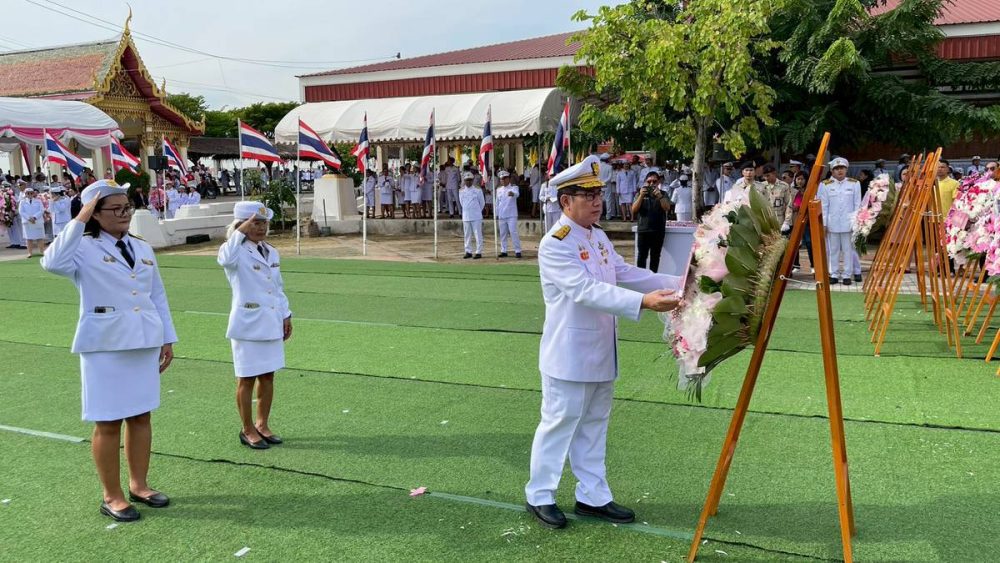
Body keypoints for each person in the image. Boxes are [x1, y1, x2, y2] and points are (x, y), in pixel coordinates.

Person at [525, 155, 682, 530]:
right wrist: (643, 302)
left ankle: (592, 496)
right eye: (588, 195)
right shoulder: (556, 243)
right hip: (569, 354)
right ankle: (540, 494)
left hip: (600, 352)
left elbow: (623, 272)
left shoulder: (596, 235)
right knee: (558, 424)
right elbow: (584, 290)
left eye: (599, 193)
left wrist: (679, 283)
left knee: (594, 426)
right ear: (566, 201)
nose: (597, 201)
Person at [40, 179, 176, 522]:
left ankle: (139, 485)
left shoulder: (141, 247)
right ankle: (111, 495)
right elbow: (51, 262)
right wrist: (80, 218)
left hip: (143, 340)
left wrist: (167, 337)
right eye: (115, 209)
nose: (124, 214)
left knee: (141, 416)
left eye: (127, 207)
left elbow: (156, 295)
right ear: (95, 214)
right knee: (108, 421)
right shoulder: (80, 247)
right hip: (105, 346)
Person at [217, 201, 292, 450]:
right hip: (247, 325)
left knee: (268, 376)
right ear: (242, 224)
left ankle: (262, 424)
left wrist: (286, 314)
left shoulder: (271, 251)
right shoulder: (234, 251)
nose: (261, 228)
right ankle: (247, 429)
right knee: (246, 379)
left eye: (264, 223)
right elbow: (224, 259)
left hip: (270, 321)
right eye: (255, 223)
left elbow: (277, 287)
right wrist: (240, 231)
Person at [818, 157, 862, 285]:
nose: (839, 171)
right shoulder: (825, 185)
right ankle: (834, 274)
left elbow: (857, 205)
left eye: (842, 168)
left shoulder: (854, 184)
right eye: (836, 169)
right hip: (832, 223)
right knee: (833, 250)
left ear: (846, 169)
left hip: (849, 223)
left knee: (848, 250)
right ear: (832, 171)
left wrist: (857, 223)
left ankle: (847, 275)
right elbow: (823, 206)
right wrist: (824, 224)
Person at [632, 171, 670, 271]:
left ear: (658, 182)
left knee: (655, 257)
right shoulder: (640, 194)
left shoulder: (663, 194)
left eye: (654, 181)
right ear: (645, 182)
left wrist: (660, 197)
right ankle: (641, 278)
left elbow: (667, 208)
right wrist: (641, 196)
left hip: (658, 230)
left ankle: (654, 278)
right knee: (641, 257)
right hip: (643, 230)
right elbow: (634, 210)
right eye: (649, 182)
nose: (651, 184)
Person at [759, 164, 795, 229]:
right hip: (765, 220)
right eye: (764, 176)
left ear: (774, 173)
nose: (766, 178)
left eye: (768, 175)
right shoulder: (761, 186)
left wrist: (787, 221)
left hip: (779, 220)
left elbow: (789, 204)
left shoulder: (784, 186)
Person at [495, 171, 522, 258]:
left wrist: (513, 194)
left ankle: (517, 250)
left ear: (508, 179)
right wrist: (496, 213)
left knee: (513, 232)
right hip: (502, 214)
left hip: (511, 215)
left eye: (505, 179)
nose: (503, 180)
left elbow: (517, 194)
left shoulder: (514, 187)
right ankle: (503, 250)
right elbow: (497, 203)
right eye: (501, 179)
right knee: (503, 234)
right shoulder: (498, 190)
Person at [459, 172, 485, 259]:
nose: (468, 182)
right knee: (467, 235)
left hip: (476, 216)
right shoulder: (461, 191)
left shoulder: (478, 190)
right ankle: (468, 251)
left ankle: (478, 252)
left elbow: (482, 203)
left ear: (473, 180)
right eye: (467, 180)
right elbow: (462, 203)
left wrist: (476, 211)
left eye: (470, 180)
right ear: (464, 180)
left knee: (478, 234)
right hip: (466, 216)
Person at [19, 186, 46, 258]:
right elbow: (21, 211)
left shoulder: (38, 201)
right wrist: (29, 218)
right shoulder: (22, 202)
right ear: (25, 194)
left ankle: (42, 251)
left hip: (37, 221)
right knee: (28, 238)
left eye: (31, 193)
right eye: (28, 193)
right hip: (27, 222)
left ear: (33, 193)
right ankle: (30, 253)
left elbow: (41, 210)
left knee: (40, 237)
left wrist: (34, 217)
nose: (29, 194)